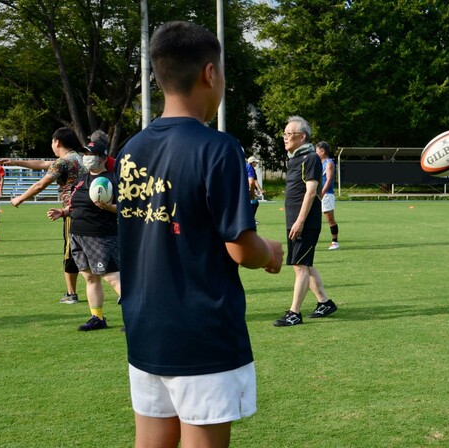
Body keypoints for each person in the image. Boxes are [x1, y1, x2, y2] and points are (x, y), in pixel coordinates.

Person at [115, 21, 283, 448]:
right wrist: (271, 253)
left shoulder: (131, 149)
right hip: (201, 331)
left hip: (145, 327)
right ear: (210, 73)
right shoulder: (218, 147)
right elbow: (241, 248)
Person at [1, 128, 87, 303]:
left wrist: (20, 198)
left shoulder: (63, 162)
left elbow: (41, 184)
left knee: (70, 252)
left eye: (52, 142)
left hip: (72, 212)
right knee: (92, 249)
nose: (52, 145)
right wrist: (15, 162)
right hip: (86, 209)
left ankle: (71, 294)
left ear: (57, 142)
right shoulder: (77, 158)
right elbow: (42, 164)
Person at [47, 141, 120, 331]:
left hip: (100, 236)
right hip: (78, 235)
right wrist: (62, 212)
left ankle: (138, 317)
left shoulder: (113, 179)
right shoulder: (81, 179)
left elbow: (128, 209)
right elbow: (76, 206)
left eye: (91, 153)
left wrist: (109, 207)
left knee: (112, 277)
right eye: (85, 153)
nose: (87, 156)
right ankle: (97, 318)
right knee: (89, 278)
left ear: (103, 158)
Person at [274, 116, 337, 327]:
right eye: (284, 134)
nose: (285, 138)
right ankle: (324, 302)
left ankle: (294, 313)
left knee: (300, 266)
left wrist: (300, 221)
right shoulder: (294, 158)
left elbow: (311, 192)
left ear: (302, 137)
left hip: (304, 222)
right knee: (303, 264)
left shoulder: (309, 158)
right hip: (295, 220)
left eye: (289, 134)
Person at [315, 141, 340, 249]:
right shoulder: (320, 163)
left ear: (322, 151)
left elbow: (329, 179)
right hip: (319, 194)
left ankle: (335, 242)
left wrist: (322, 193)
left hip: (327, 195)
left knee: (330, 219)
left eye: (317, 151)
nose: (316, 153)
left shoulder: (329, 163)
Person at [246, 156, 263, 222]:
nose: (256, 163)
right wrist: (260, 190)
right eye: (255, 162)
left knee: (253, 204)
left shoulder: (246, 167)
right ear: (252, 162)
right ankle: (251, 219)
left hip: (246, 188)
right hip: (249, 189)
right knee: (255, 204)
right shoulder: (250, 168)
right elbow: (254, 181)